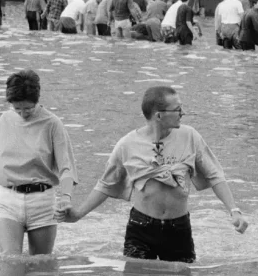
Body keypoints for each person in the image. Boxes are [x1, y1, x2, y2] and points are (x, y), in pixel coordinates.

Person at [58, 86, 248, 263]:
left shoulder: (190, 136)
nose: (183, 114)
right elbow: (106, 185)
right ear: (159, 115)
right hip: (140, 229)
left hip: (178, 229)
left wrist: (234, 210)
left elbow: (215, 175)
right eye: (177, 109)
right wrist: (77, 214)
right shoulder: (127, 144)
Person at [0, 69, 77, 255]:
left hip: (42, 202)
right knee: (9, 263)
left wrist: (66, 198)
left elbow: (66, 169)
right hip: (9, 200)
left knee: (41, 267)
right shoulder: (5, 120)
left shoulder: (52, 124)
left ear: (37, 100)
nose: (22, 113)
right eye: (17, 108)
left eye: (27, 108)